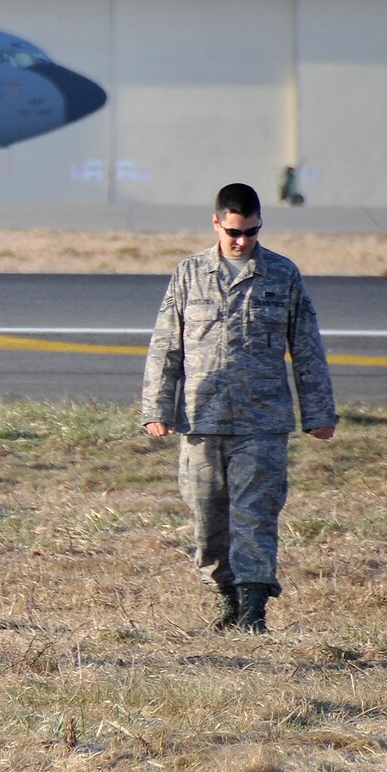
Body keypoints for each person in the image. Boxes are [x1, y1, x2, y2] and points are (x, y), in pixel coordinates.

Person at [141, 182, 335, 634]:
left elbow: (306, 347)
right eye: (233, 231)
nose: (240, 241)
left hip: (262, 422)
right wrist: (157, 407)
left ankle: (253, 609)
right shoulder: (189, 274)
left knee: (255, 514)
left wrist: (319, 412)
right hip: (201, 420)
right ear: (216, 223)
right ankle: (226, 597)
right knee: (208, 519)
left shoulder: (282, 275)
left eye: (249, 232)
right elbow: (166, 347)